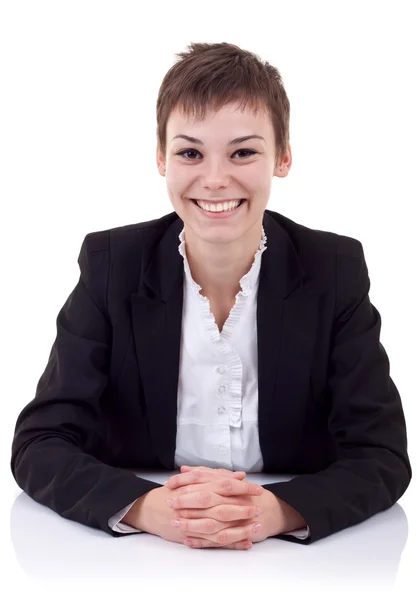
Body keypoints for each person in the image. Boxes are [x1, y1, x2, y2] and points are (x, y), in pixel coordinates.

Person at [11, 41, 411, 551]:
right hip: (133, 563)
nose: (215, 178)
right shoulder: (111, 264)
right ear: (162, 158)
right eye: (190, 152)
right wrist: (151, 507)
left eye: (243, 151)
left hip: (296, 573)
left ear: (282, 157)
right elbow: (40, 443)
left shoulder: (334, 270)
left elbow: (381, 454)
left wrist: (276, 511)